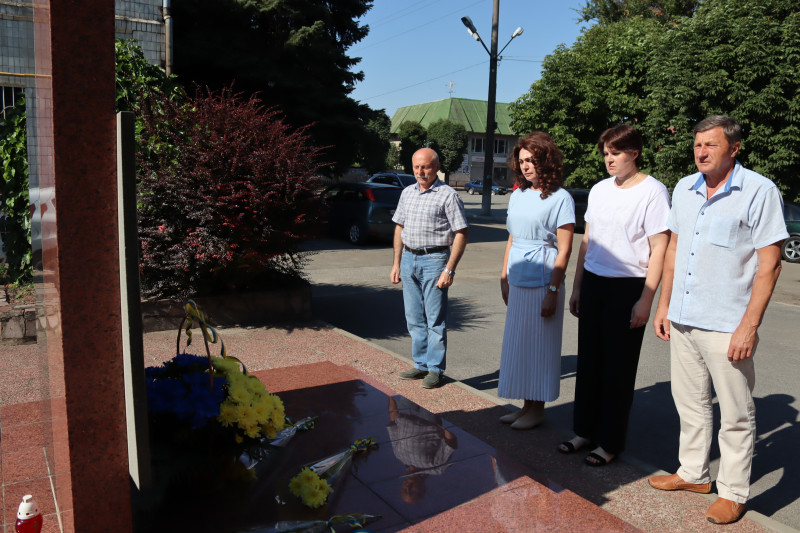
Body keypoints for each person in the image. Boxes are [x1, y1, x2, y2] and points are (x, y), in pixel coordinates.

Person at [649, 116, 787, 524]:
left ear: (734, 148)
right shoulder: (685, 189)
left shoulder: (759, 191)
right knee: (689, 404)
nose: (701, 152)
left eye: (710, 145)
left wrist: (749, 326)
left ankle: (733, 492)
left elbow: (771, 265)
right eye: (697, 145)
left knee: (736, 413)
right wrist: (663, 306)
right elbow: (673, 249)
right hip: (684, 317)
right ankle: (693, 473)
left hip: (728, 324)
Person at [559, 124, 671, 466]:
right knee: (589, 361)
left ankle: (609, 442)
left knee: (617, 369)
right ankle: (584, 432)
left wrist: (646, 301)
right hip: (594, 282)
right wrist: (577, 287)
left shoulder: (653, 191)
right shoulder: (600, 190)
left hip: (629, 286)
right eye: (606, 153)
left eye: (616, 153)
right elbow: (588, 242)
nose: (609, 160)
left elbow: (660, 248)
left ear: (634, 153)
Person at [497, 132, 575, 430]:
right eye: (522, 161)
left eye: (532, 160)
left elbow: (565, 248)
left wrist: (553, 291)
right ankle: (525, 406)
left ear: (546, 160)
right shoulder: (518, 194)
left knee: (539, 345)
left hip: (543, 281)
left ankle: (538, 409)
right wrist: (503, 276)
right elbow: (512, 238)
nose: (526, 166)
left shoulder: (561, 198)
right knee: (519, 344)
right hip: (518, 279)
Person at [390, 148, 469, 389]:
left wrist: (450, 269)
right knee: (413, 317)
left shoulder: (448, 195)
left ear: (436, 167)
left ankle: (435, 369)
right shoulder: (407, 193)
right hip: (408, 259)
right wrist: (396, 262)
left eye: (425, 167)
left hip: (435, 261)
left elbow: (461, 233)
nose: (420, 172)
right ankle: (420, 364)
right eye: (416, 167)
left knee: (435, 320)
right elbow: (399, 228)